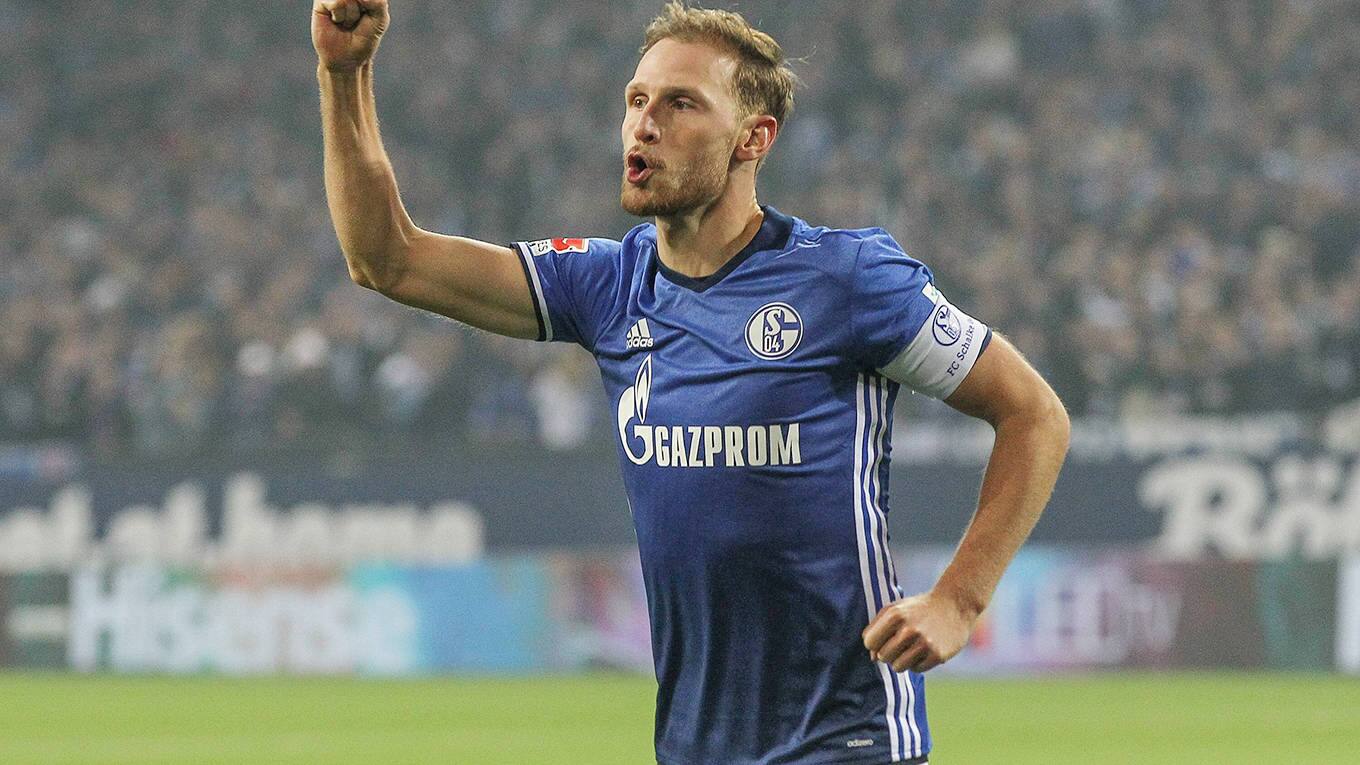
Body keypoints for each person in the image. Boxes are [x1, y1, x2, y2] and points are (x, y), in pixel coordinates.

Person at [312, 1, 1070, 763]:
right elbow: (387, 258)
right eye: (637, 100)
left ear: (753, 138)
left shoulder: (846, 279)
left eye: (681, 104)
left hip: (846, 734)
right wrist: (346, 73)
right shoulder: (608, 285)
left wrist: (959, 598)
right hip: (694, 741)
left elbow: (1033, 413)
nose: (644, 125)